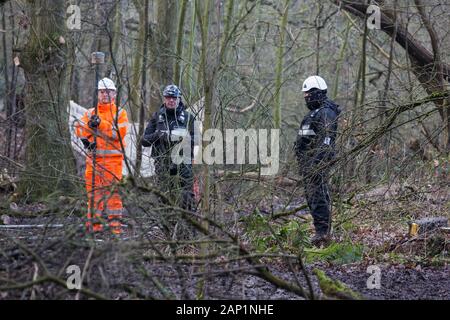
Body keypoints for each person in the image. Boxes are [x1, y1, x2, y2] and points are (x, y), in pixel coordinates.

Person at [75, 77, 128, 235]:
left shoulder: (120, 113)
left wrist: (101, 125)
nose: (105, 95)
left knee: (113, 198)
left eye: (109, 92)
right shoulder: (90, 113)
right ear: (98, 94)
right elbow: (78, 130)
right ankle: (94, 229)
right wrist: (89, 128)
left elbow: (118, 133)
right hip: (93, 162)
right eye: (102, 92)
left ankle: (115, 230)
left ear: (114, 94)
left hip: (113, 163)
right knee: (93, 197)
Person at [295, 75, 340, 246]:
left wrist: (316, 164)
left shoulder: (326, 113)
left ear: (316, 93)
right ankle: (320, 232)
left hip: (317, 165)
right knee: (313, 198)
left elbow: (327, 140)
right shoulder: (315, 113)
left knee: (318, 197)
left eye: (308, 94)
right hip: (309, 165)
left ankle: (323, 233)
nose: (306, 97)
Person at [142, 84, 196, 211]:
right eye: (168, 97)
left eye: (174, 97)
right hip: (163, 163)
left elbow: (196, 140)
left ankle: (188, 226)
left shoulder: (188, 117)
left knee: (186, 198)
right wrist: (158, 135)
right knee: (164, 197)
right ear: (164, 99)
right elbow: (144, 141)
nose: (171, 100)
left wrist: (183, 139)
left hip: (184, 163)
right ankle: (166, 226)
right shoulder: (157, 117)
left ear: (179, 99)